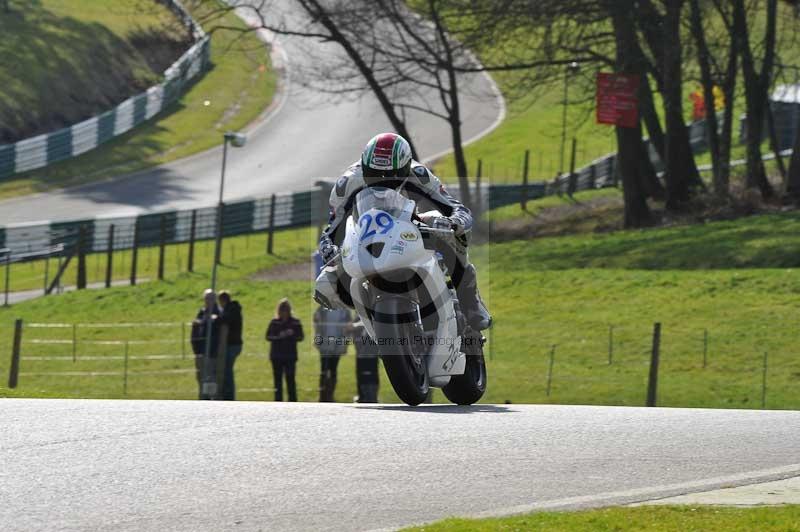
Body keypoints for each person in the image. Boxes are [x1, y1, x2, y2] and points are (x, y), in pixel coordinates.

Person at [315, 132, 491, 331]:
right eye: (374, 174)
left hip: (409, 227)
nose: (381, 181)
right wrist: (327, 247)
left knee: (443, 228)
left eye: (389, 177)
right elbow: (332, 227)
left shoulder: (419, 174)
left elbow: (453, 206)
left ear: (405, 167)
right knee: (325, 283)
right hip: (363, 236)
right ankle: (368, 316)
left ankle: (469, 298)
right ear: (364, 166)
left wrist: (455, 222)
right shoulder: (348, 182)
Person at [265, 298, 304, 402]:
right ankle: (278, 402)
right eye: (282, 310)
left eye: (286, 310)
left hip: (290, 356)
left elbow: (300, 337)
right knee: (277, 381)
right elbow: (268, 337)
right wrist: (280, 336)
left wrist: (291, 334)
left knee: (290, 380)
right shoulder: (274, 322)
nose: (284, 312)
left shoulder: (295, 323)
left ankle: (293, 401)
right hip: (276, 355)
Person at [313, 306, 351, 402]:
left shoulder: (345, 311)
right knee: (324, 369)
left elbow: (349, 327)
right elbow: (316, 322)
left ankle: (330, 395)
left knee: (333, 369)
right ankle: (322, 395)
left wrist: (345, 343)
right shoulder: (323, 308)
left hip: (337, 344)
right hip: (325, 343)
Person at [190, 289, 220, 400]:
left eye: (211, 298)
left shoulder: (218, 313)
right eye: (206, 298)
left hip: (212, 353)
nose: (208, 301)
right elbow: (195, 327)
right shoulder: (202, 312)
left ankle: (212, 401)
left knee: (211, 378)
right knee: (200, 377)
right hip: (200, 351)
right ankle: (202, 400)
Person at [217, 290, 243, 401]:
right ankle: (227, 394)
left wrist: (215, 318)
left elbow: (224, 319)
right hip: (235, 344)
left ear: (222, 300)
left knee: (227, 370)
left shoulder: (231, 310)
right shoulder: (234, 309)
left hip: (232, 344)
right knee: (227, 369)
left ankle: (229, 396)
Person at [346, 319, 380, 403]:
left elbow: (369, 322)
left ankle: (371, 396)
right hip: (361, 353)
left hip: (371, 353)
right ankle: (362, 396)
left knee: (371, 374)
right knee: (360, 374)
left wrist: (354, 326)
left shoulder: (365, 317)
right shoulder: (357, 318)